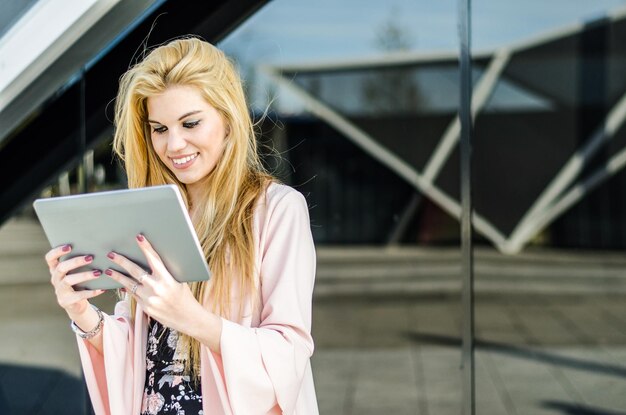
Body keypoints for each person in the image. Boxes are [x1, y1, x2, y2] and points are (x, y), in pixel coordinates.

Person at [46, 37, 318, 415]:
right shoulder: (155, 209)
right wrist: (82, 313)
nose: (174, 145)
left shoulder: (277, 210)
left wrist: (192, 317)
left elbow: (290, 350)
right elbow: (148, 348)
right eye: (159, 128)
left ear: (228, 118)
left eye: (190, 123)